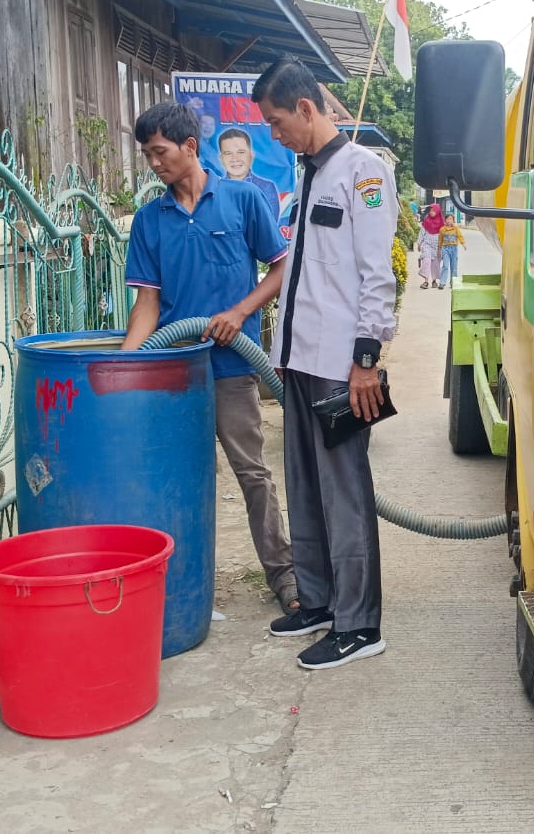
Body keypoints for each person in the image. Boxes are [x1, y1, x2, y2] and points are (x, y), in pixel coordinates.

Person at [119, 102, 301, 615]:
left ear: (190, 147)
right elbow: (147, 305)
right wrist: (124, 370)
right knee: (176, 478)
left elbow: (281, 268)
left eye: (160, 153)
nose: (153, 164)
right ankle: (175, 583)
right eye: (147, 155)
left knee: (253, 474)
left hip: (232, 369)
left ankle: (285, 577)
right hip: (173, 372)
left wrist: (239, 311)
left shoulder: (242, 200)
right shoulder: (150, 221)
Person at [253, 56, 397, 670]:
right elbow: (304, 274)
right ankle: (318, 600)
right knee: (305, 489)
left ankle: (360, 623)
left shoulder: (361, 172)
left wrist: (366, 360)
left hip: (342, 367)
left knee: (345, 497)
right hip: (299, 362)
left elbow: (374, 274)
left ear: (307, 109)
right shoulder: (308, 174)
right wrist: (282, 351)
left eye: (278, 122)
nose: (274, 134)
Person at [217, 127, 282, 223]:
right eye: (228, 153)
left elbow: (268, 227)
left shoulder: (266, 188)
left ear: (251, 155)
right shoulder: (215, 190)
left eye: (241, 152)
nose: (235, 158)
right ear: (221, 159)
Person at [417, 204, 444, 288]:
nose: (431, 212)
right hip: (427, 244)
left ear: (437, 211)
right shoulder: (426, 220)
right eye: (431, 211)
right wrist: (419, 243)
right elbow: (422, 232)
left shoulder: (442, 223)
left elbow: (444, 235)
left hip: (437, 245)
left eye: (433, 211)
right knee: (427, 261)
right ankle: (426, 281)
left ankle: (434, 281)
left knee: (435, 263)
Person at [437, 215, 465, 290]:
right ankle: (442, 283)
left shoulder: (456, 229)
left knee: (454, 266)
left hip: (454, 249)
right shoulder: (442, 229)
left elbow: (460, 236)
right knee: (445, 266)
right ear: (445, 220)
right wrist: (439, 249)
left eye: (451, 219)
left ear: (453, 220)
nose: (449, 220)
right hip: (445, 249)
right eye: (448, 219)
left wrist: (463, 244)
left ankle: (453, 282)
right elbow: (440, 240)